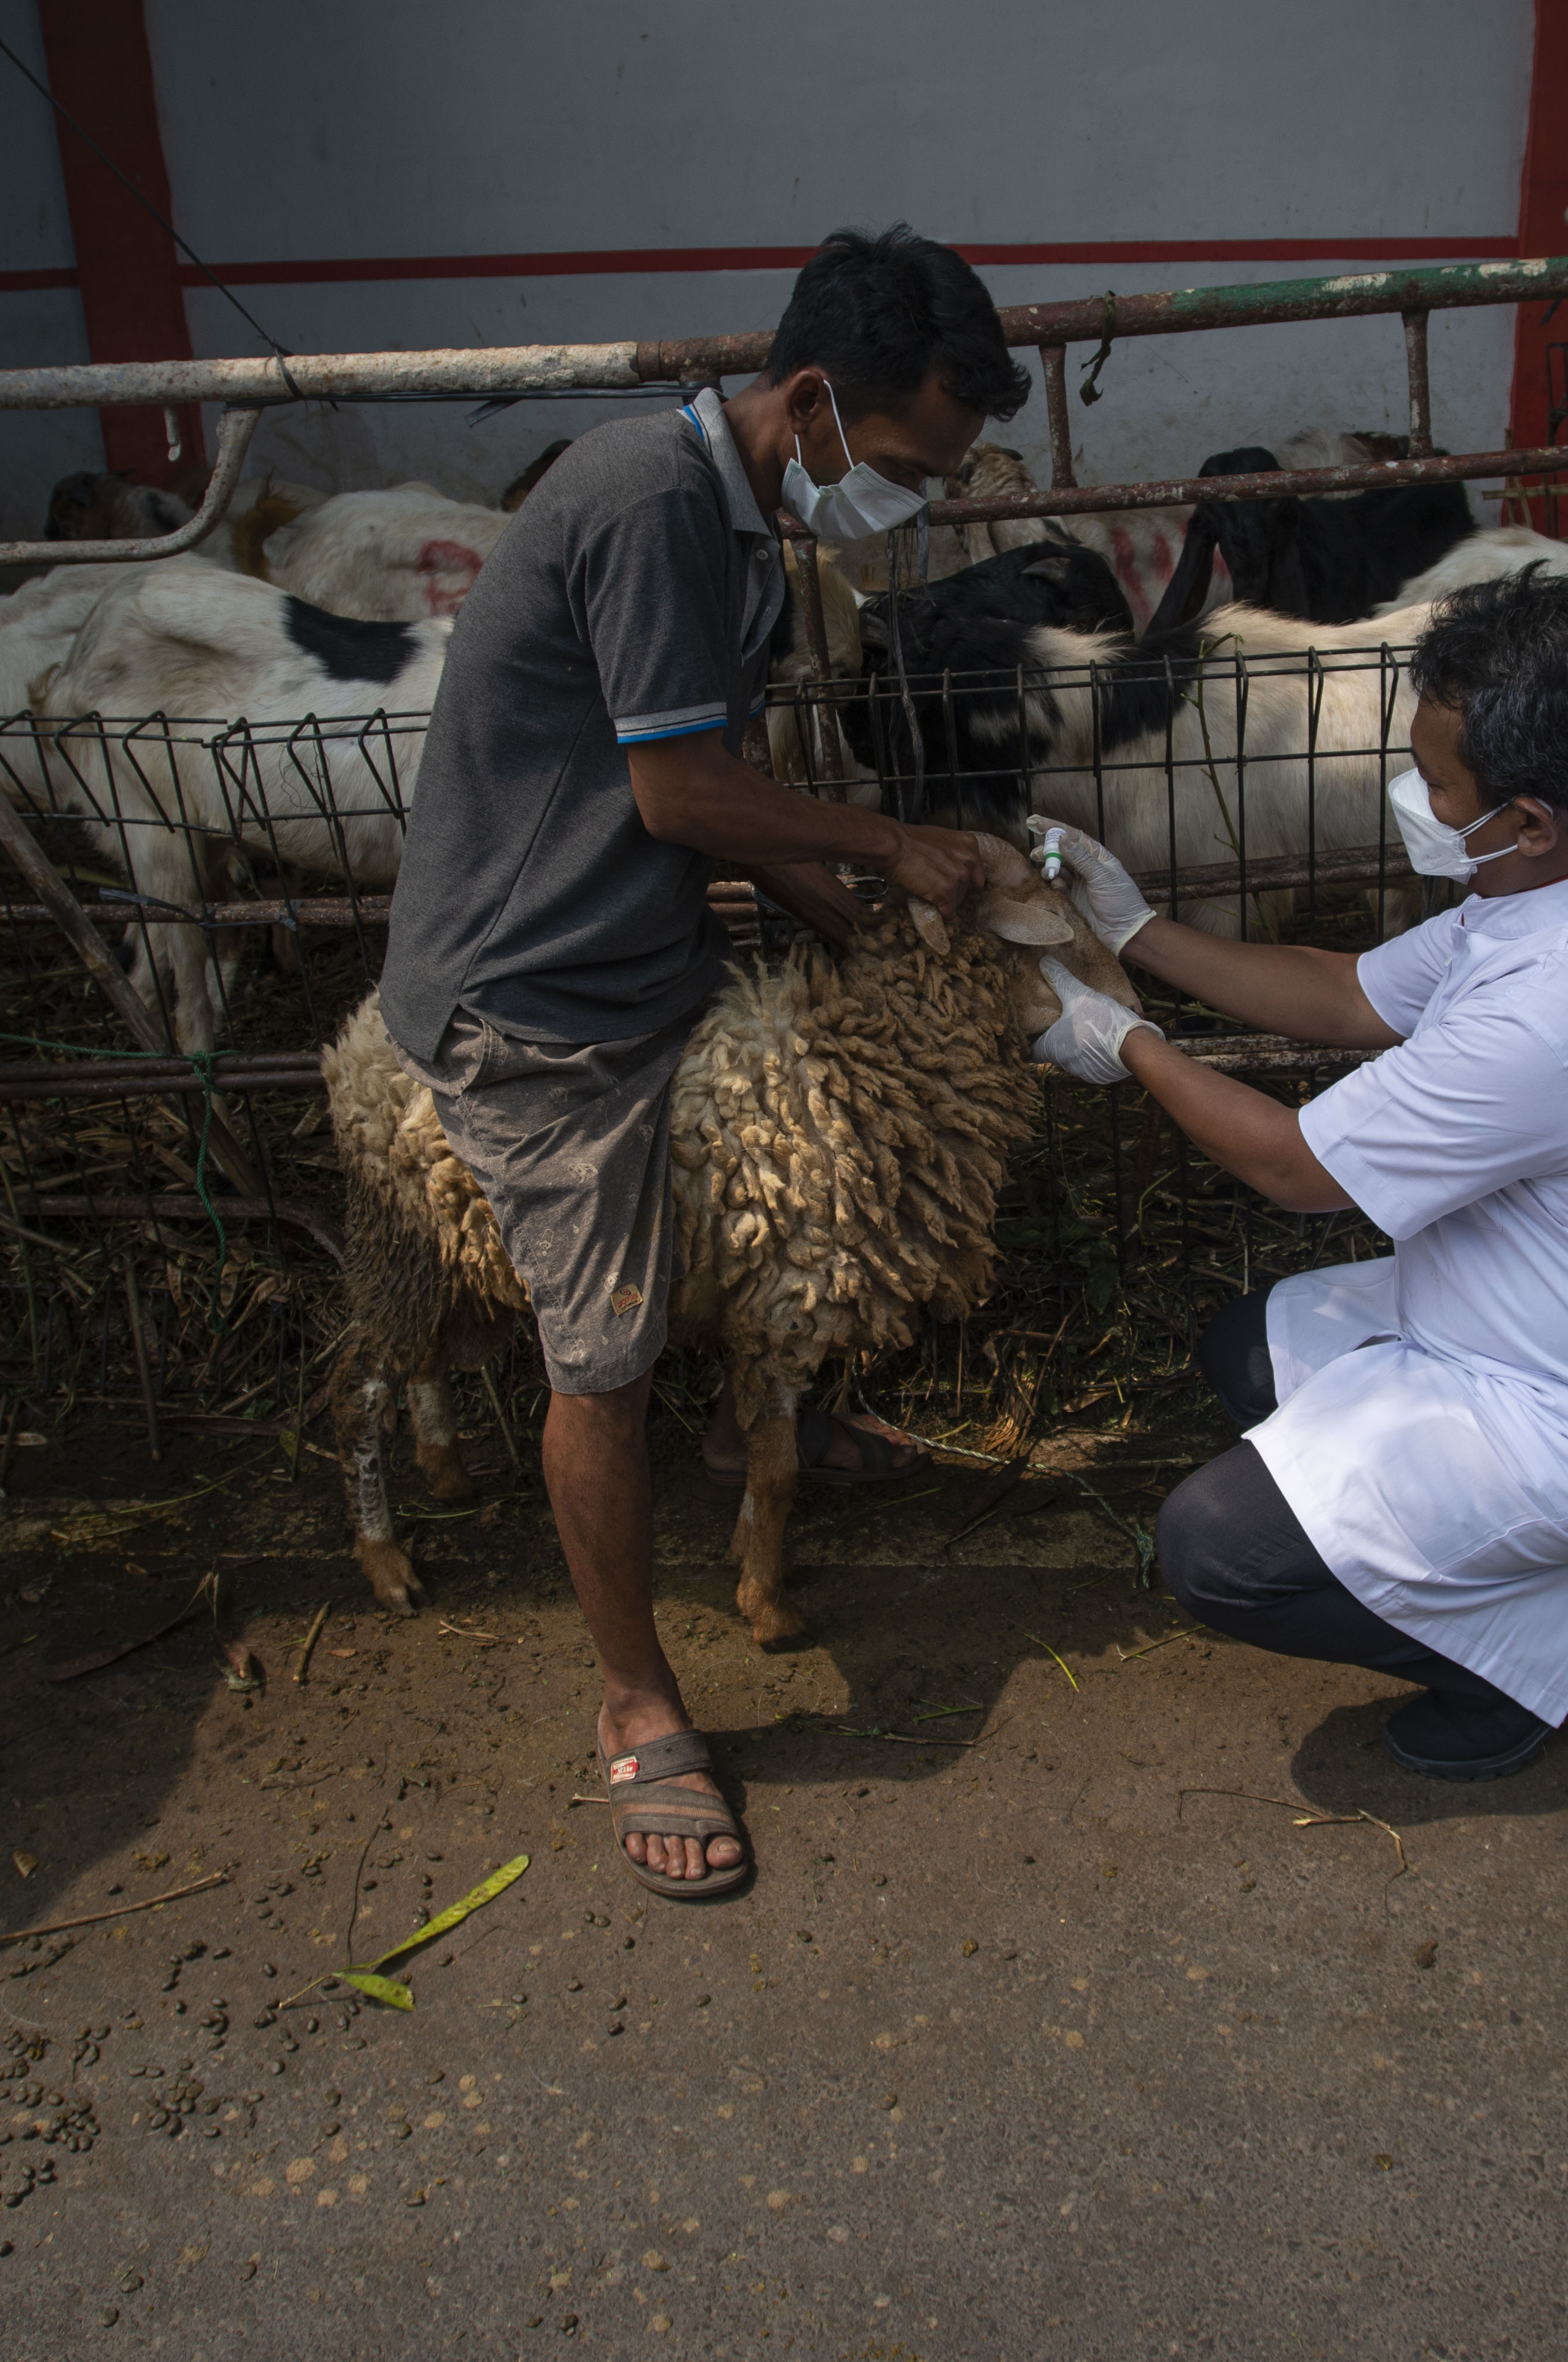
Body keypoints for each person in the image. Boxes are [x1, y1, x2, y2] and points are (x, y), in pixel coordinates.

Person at [374, 227, 1027, 1899]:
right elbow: (678, 796)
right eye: (899, 463)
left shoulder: (739, 522)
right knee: (599, 1349)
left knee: (790, 1168)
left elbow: (702, 782)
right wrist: (885, 849)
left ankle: (749, 1435)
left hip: (638, 939)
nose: (908, 499)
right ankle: (637, 1695)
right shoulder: (648, 502)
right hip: (533, 1000)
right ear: (809, 401)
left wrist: (837, 912)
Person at [1023, 569, 1568, 1778]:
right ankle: (1525, 1581)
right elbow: (1345, 992)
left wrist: (1123, 1037)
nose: (1415, 797)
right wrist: (1135, 931)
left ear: (1525, 816)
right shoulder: (1550, 886)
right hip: (1519, 1318)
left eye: (1437, 784)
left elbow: (1297, 1170)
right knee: (1246, 1350)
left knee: (1213, 1550)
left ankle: (1525, 1668)